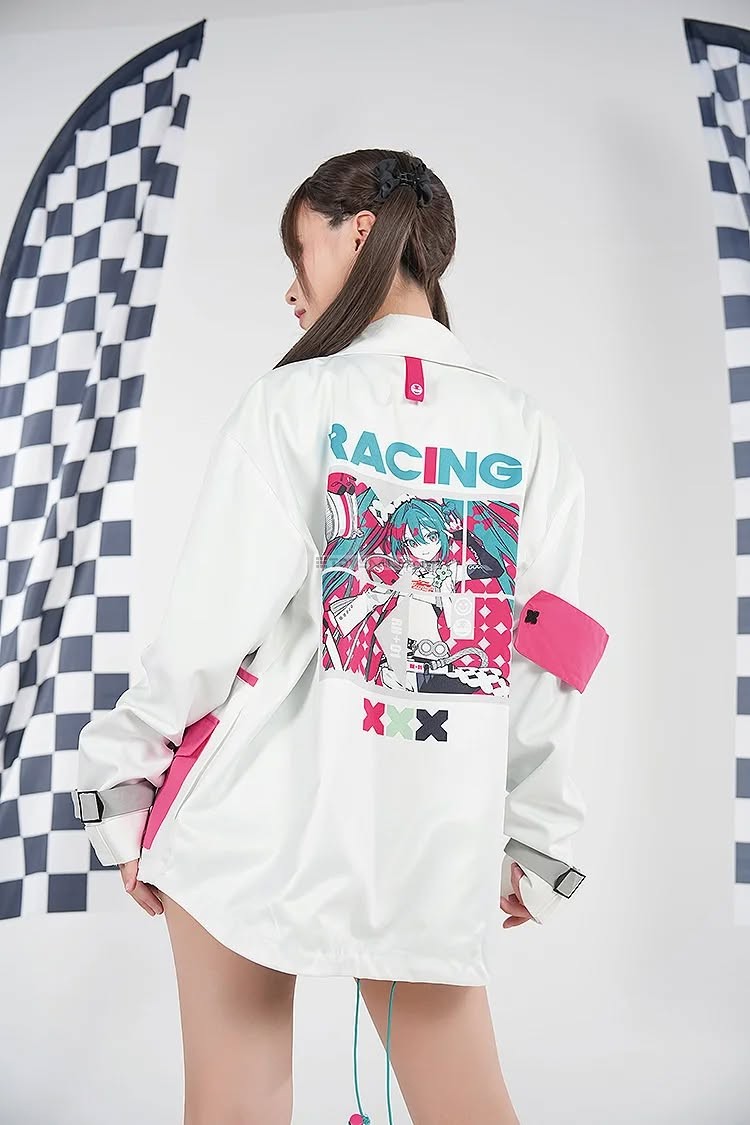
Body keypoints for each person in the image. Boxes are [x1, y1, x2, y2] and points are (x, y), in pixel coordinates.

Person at [71, 149, 609, 1125]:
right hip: (428, 836)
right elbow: (551, 655)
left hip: (244, 824)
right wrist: (539, 835)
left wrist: (120, 783)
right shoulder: (528, 433)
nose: (292, 287)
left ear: (359, 231)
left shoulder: (293, 402)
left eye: (299, 251)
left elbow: (204, 630)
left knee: (233, 1111)